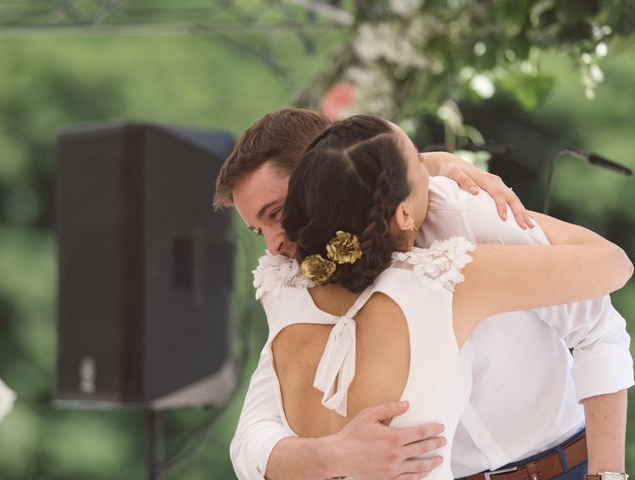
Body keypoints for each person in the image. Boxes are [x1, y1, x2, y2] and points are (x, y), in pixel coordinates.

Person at [214, 108, 634, 480]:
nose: (272, 245)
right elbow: (251, 438)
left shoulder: (458, 215)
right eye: (258, 228)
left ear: (317, 172)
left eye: (276, 214)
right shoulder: (296, 286)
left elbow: (597, 328)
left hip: (573, 464)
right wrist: (333, 455)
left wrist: (606, 473)